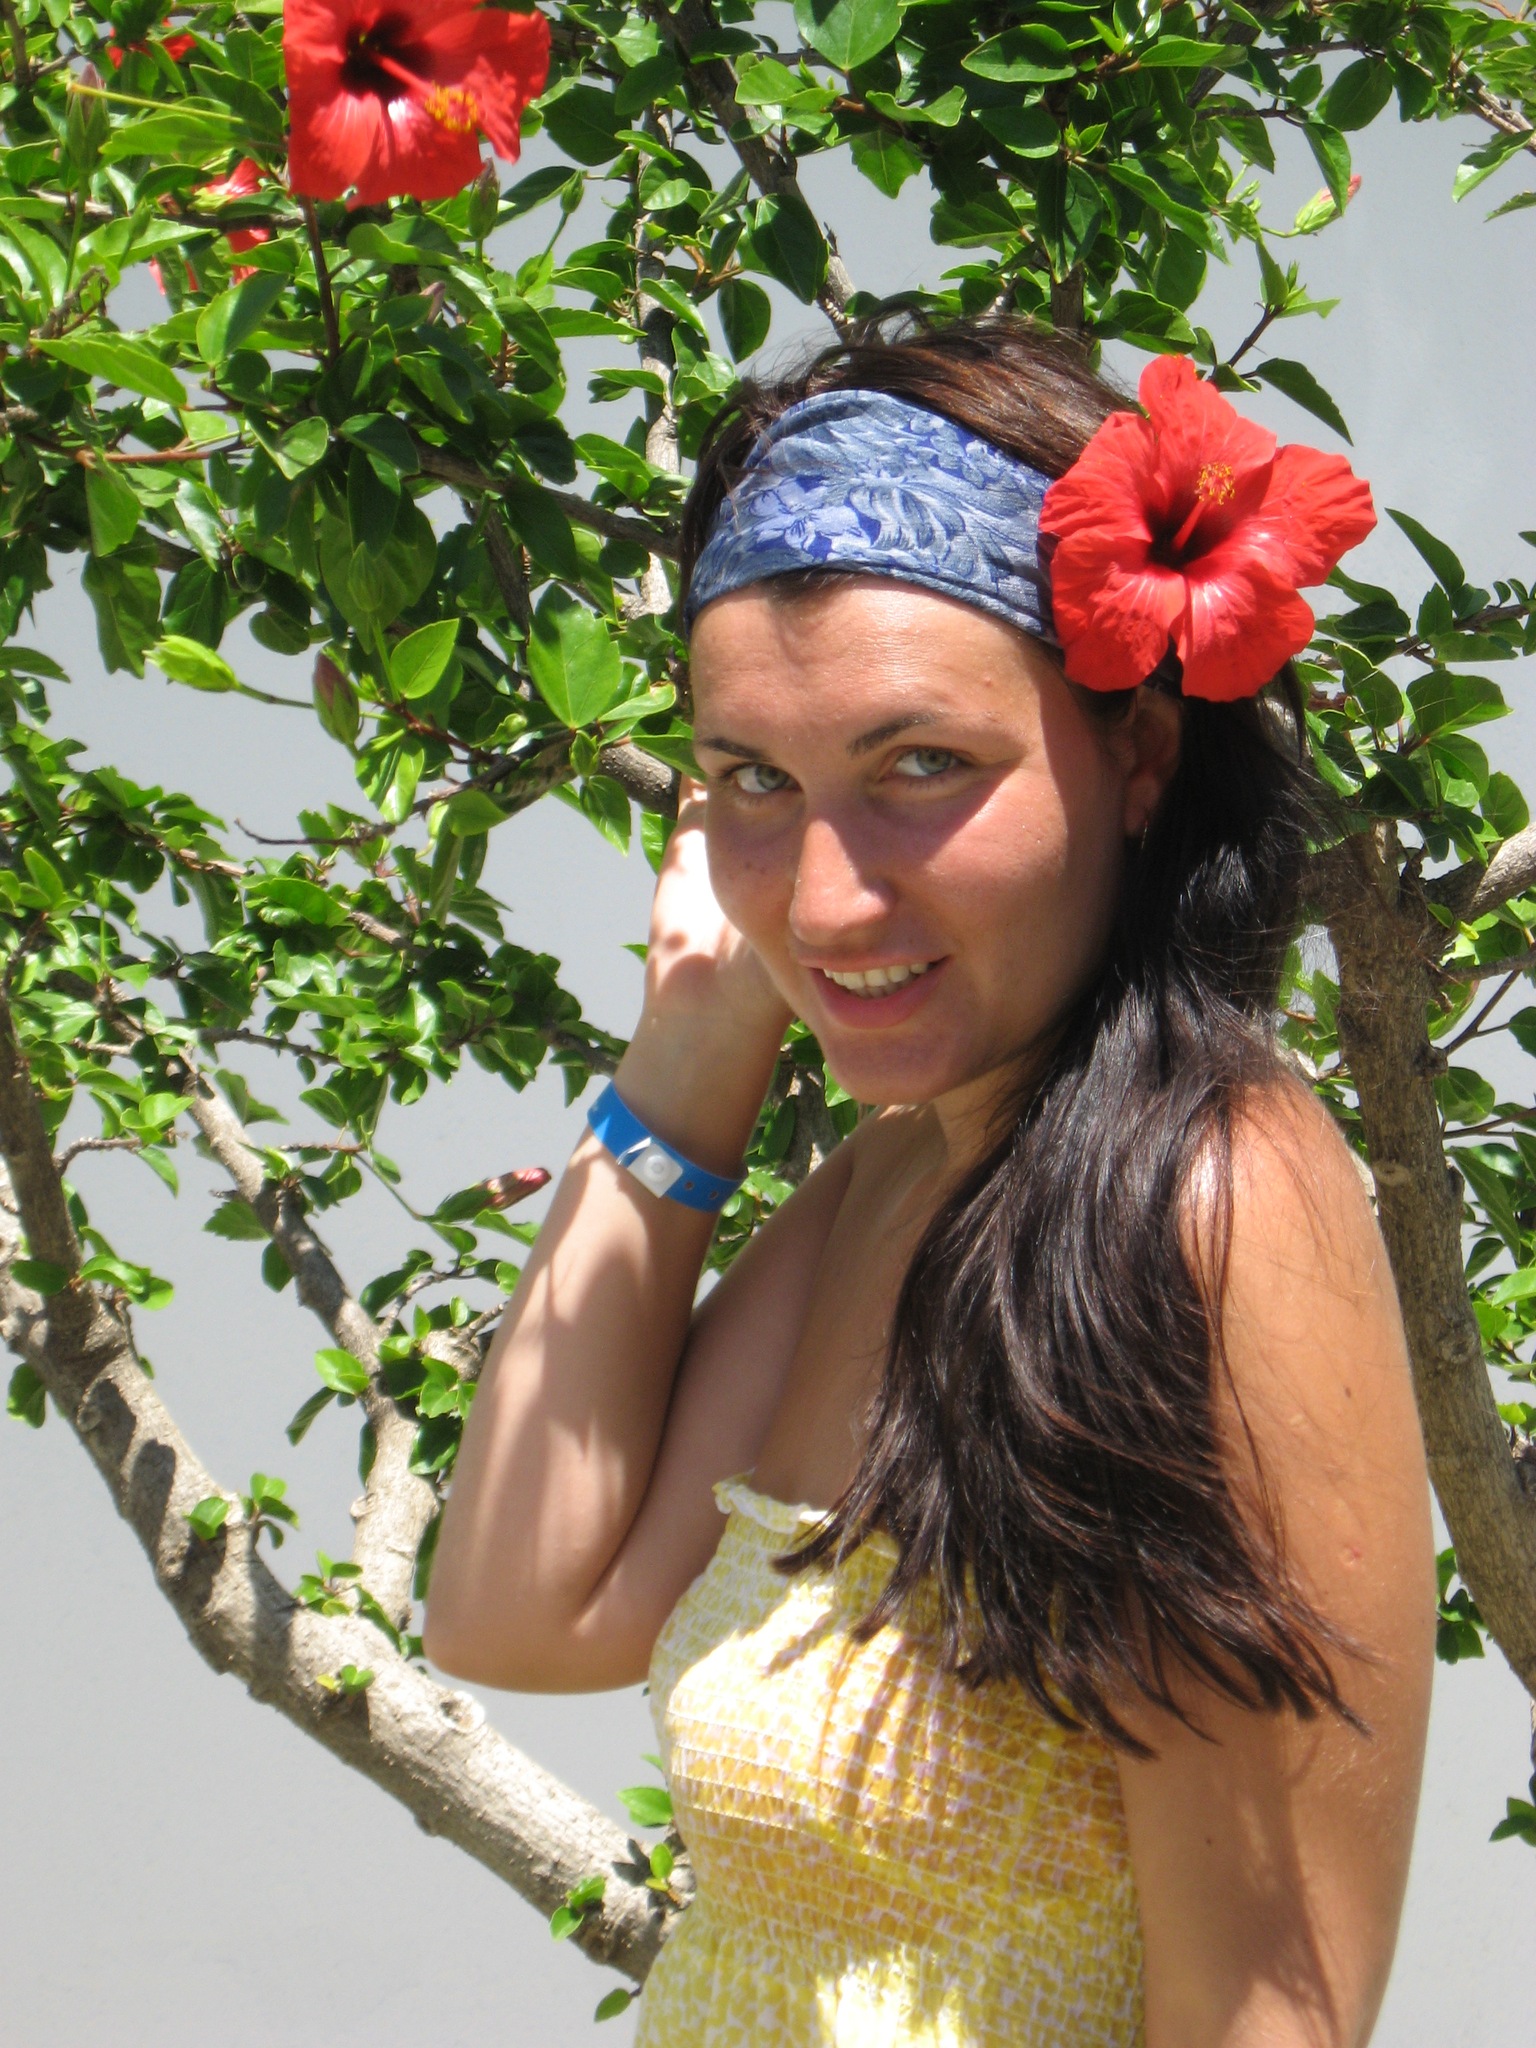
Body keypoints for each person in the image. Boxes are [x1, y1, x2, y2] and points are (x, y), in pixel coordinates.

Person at [422, 314, 1436, 2048]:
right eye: (754, 781)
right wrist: (693, 1047)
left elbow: (1264, 2019)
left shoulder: (1208, 1204)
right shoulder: (911, 1168)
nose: (825, 899)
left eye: (921, 768)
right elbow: (524, 1610)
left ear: (1138, 753)